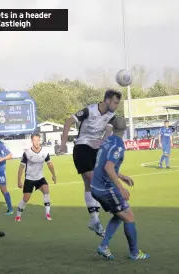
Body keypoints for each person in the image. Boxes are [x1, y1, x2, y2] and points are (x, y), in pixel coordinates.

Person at [59, 89, 122, 237]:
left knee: (90, 183)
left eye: (117, 103)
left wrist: (102, 143)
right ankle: (106, 209)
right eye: (115, 102)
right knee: (93, 179)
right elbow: (69, 121)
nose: (116, 105)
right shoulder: (89, 110)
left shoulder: (112, 116)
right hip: (82, 146)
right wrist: (63, 144)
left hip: (96, 148)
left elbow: (107, 132)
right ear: (106, 100)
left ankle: (94, 220)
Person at [91, 117, 150, 260]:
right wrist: (121, 187)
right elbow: (108, 167)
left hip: (95, 186)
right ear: (125, 129)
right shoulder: (118, 144)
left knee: (119, 214)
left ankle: (104, 246)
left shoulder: (107, 140)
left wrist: (122, 176)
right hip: (106, 188)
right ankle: (135, 253)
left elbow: (105, 165)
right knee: (129, 216)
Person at [15, 134, 57, 221]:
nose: (37, 142)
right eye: (35, 140)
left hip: (40, 178)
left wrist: (54, 175)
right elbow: (21, 167)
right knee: (26, 198)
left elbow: (50, 164)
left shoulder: (45, 152)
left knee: (46, 189)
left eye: (38, 140)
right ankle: (18, 215)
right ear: (32, 141)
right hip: (29, 178)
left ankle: (47, 214)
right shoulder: (27, 153)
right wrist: (19, 180)